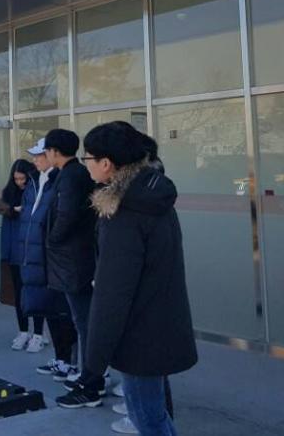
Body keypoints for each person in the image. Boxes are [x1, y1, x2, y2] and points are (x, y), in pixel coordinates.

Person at [72, 121, 197, 435]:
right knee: (155, 413)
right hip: (161, 319)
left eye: (88, 158)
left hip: (138, 331)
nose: (85, 164)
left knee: (147, 418)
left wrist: (93, 361)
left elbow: (113, 291)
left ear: (106, 163)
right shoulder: (153, 196)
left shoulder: (125, 211)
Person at [40, 129, 101, 398]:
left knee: (83, 319)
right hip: (73, 257)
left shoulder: (71, 176)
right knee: (81, 317)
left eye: (47, 150)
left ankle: (91, 375)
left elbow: (65, 216)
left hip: (72, 259)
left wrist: (52, 240)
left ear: (54, 151)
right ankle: (90, 372)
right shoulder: (71, 174)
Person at [0, 158, 45, 351]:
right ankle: (23, 331)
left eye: (22, 178)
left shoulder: (37, 191)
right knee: (19, 294)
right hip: (14, 252)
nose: (19, 182)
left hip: (32, 252)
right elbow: (0, 206)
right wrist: (12, 210)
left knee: (36, 293)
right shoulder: (9, 193)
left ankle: (38, 334)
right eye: (16, 179)